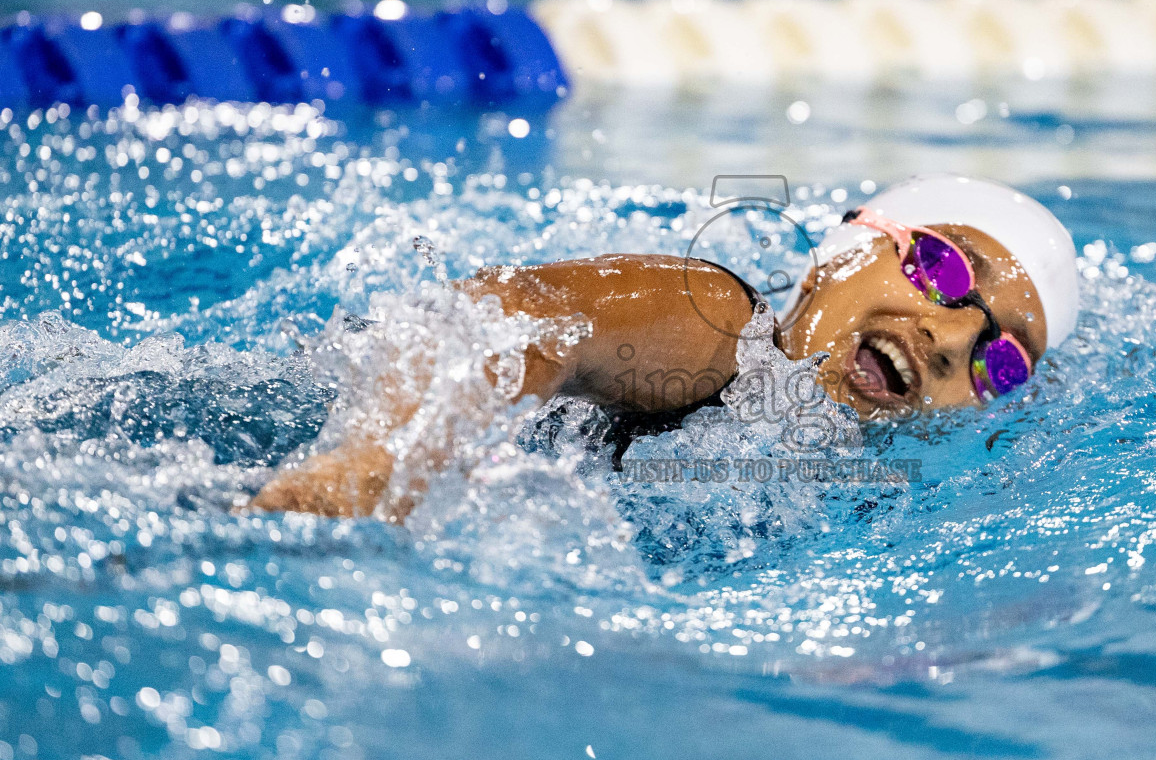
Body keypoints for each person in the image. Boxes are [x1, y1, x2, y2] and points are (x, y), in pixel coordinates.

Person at [249, 174, 1079, 518]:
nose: (950, 338)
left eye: (1000, 360)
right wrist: (381, 459)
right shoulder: (719, 323)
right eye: (941, 268)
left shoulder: (850, 486)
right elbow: (512, 318)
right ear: (848, 244)